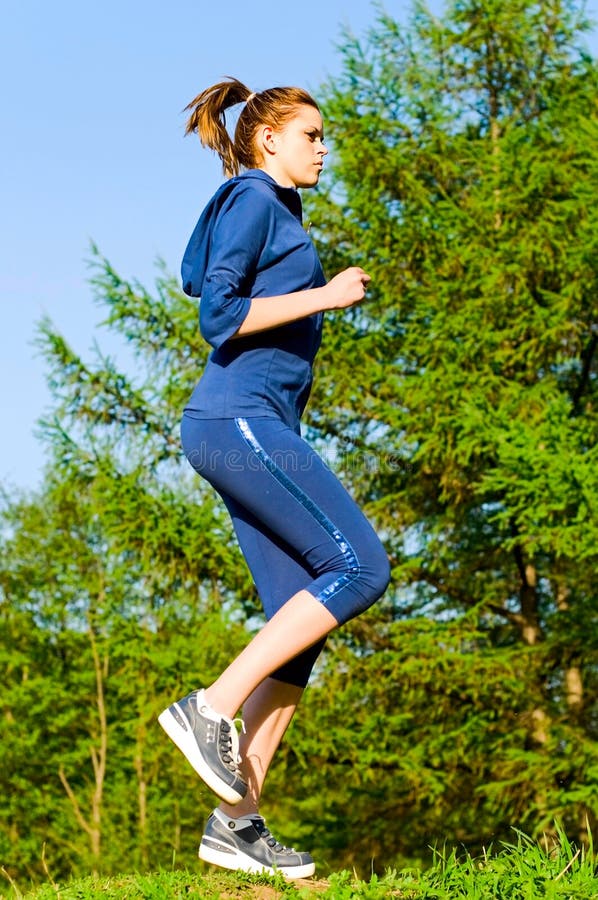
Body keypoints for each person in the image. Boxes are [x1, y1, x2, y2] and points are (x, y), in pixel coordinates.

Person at [159, 77, 391, 879]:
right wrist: (324, 295)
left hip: (255, 427)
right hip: (237, 419)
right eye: (313, 135)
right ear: (269, 141)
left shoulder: (271, 210)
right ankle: (211, 706)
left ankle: (237, 823)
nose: (323, 148)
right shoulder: (255, 198)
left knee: (301, 629)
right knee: (361, 567)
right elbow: (218, 315)